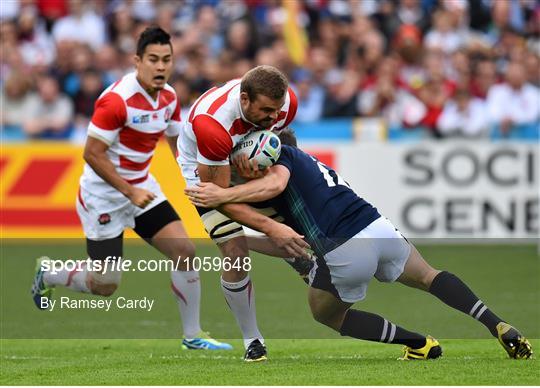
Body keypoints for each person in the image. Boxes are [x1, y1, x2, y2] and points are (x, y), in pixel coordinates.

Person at [185, 129, 533, 360]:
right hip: (377, 226)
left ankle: (417, 343)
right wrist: (238, 238)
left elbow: (273, 187)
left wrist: (224, 194)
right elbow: (289, 243)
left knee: (327, 314)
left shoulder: (284, 161)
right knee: (430, 275)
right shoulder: (316, 171)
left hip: (344, 249)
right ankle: (497, 323)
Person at [31, 26, 231, 351]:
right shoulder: (115, 101)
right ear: (137, 61)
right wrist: (129, 191)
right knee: (105, 285)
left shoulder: (168, 98)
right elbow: (91, 154)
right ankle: (50, 273)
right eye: (153, 59)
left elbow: (175, 141)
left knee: (185, 251)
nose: (161, 66)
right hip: (104, 198)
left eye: (167, 59)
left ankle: (193, 335)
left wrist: (195, 180)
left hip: (142, 190)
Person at [176, 65, 311, 361]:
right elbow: (221, 197)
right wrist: (272, 227)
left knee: (302, 233)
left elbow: (281, 144)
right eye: (266, 110)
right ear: (245, 99)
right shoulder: (213, 124)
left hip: (241, 162)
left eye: (277, 111)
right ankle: (253, 339)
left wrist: (263, 167)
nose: (273, 118)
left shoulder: (286, 104)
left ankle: (300, 259)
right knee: (235, 250)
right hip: (206, 175)